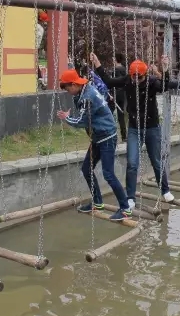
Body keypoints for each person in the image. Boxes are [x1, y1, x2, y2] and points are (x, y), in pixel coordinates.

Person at [90, 52, 176, 204]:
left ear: (145, 75)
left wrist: (166, 69)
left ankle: (165, 190)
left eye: (140, 77)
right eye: (133, 77)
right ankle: (130, 196)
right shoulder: (128, 80)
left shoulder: (151, 82)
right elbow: (109, 82)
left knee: (156, 161)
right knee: (132, 163)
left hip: (152, 128)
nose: (136, 80)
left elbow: (164, 86)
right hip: (134, 129)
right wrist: (97, 64)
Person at [56, 68, 131, 221]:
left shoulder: (87, 97)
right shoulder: (85, 90)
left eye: (67, 87)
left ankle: (125, 208)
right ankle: (97, 202)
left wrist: (66, 118)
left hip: (107, 137)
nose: (67, 91)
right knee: (86, 169)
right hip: (98, 136)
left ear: (73, 84)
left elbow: (82, 122)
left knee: (108, 174)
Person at [110, 53, 127, 142]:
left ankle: (110, 135)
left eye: (113, 58)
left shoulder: (116, 70)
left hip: (116, 94)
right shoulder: (124, 69)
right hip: (122, 95)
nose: (112, 59)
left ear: (116, 59)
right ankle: (124, 136)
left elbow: (114, 83)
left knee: (108, 113)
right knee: (121, 116)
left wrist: (112, 94)